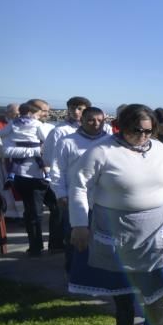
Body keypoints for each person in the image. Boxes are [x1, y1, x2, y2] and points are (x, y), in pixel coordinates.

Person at [68, 104, 163, 325]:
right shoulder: (101, 150)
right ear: (122, 127)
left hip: (159, 225)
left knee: (159, 275)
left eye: (148, 131)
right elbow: (79, 187)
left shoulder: (160, 150)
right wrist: (79, 224)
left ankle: (155, 324)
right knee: (122, 278)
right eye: (137, 130)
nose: (143, 136)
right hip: (117, 225)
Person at [50, 106, 109, 272]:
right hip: (74, 197)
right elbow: (57, 170)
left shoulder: (110, 142)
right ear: (81, 120)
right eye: (91, 119)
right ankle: (74, 271)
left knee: (101, 237)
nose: (96, 123)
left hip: (103, 198)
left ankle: (98, 270)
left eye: (100, 120)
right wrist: (61, 193)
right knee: (75, 236)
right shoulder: (67, 142)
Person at [0, 101, 54, 255]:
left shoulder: (49, 127)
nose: (46, 113)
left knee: (57, 208)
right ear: (32, 112)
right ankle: (36, 247)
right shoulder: (16, 126)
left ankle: (56, 244)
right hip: (27, 176)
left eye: (47, 111)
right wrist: (36, 150)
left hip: (49, 175)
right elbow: (8, 151)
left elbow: (52, 148)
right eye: (43, 110)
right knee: (34, 212)